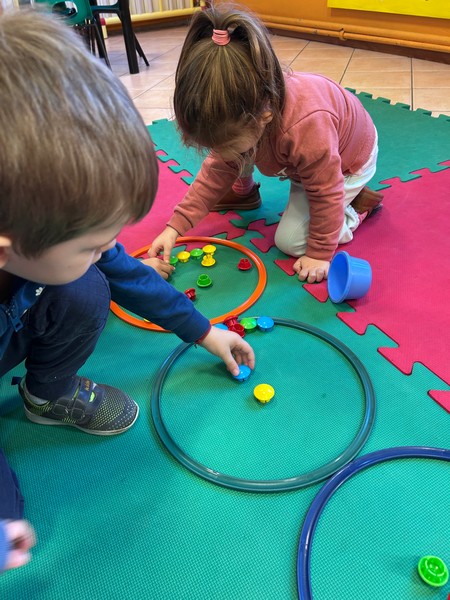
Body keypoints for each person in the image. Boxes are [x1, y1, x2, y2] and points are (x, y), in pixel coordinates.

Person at [0, 7, 255, 559]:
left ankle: (46, 393)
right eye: (91, 243)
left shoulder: (41, 234)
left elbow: (128, 274)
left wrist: (204, 331)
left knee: (88, 284)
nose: (107, 250)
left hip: (18, 312)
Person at [149, 5, 383, 284]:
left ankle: (356, 208)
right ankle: (243, 191)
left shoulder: (305, 127)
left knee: (291, 242)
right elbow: (216, 170)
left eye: (224, 145)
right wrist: (175, 227)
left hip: (347, 163)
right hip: (305, 157)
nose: (218, 154)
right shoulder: (251, 111)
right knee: (234, 154)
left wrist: (320, 253)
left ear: (264, 116)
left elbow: (325, 190)